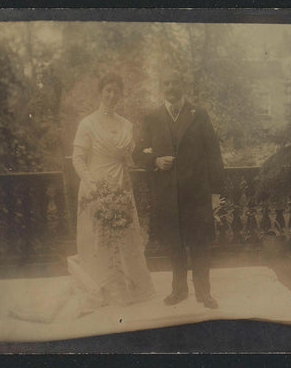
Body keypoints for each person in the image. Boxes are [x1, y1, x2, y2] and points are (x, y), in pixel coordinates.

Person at [133, 69, 224, 309]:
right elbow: (137, 154)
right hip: (168, 196)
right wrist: (155, 161)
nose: (171, 87)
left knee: (200, 244)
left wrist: (216, 191)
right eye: (166, 83)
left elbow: (214, 153)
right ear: (162, 87)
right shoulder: (152, 117)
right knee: (174, 244)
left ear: (182, 84)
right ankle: (179, 290)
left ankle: (204, 293)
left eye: (175, 82)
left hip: (196, 195)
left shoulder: (199, 115)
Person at [70, 73, 155, 313]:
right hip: (96, 185)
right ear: (100, 92)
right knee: (98, 238)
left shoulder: (126, 124)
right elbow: (77, 158)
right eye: (107, 90)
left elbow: (129, 157)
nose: (111, 95)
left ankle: (129, 287)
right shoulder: (88, 123)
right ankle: (105, 287)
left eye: (116, 91)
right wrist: (91, 182)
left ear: (120, 94)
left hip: (121, 184)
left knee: (125, 235)